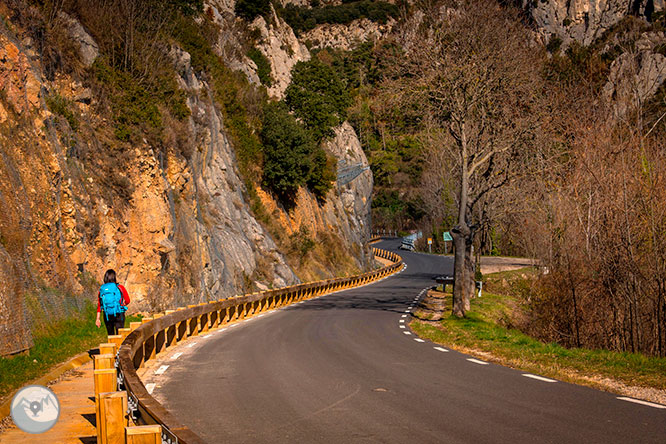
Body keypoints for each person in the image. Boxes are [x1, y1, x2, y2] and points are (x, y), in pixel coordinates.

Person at [95, 269, 130, 335]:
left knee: (110, 335)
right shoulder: (120, 287)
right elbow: (127, 300)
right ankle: (119, 345)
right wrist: (121, 305)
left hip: (107, 314)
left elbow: (99, 305)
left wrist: (97, 319)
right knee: (120, 335)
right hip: (119, 314)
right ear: (114, 277)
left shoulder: (102, 290)